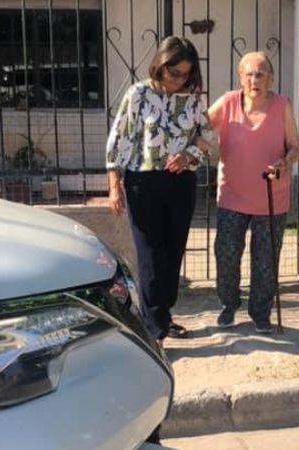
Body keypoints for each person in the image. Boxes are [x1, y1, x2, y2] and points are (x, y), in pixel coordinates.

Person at [105, 36, 212, 344]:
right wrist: (115, 185)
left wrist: (189, 154)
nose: (179, 80)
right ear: (160, 65)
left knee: (173, 252)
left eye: (185, 74)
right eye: (173, 72)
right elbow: (119, 139)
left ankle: (161, 317)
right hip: (144, 183)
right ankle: (155, 330)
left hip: (181, 184)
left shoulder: (193, 98)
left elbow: (207, 134)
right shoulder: (138, 94)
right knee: (150, 254)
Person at [202, 51, 299, 334]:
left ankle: (260, 312)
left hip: (272, 197)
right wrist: (203, 146)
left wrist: (285, 161)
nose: (254, 79)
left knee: (266, 260)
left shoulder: (282, 105)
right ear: (240, 77)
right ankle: (229, 304)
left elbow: (296, 146)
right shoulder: (228, 102)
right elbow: (199, 126)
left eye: (260, 74)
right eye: (249, 74)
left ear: (270, 78)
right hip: (232, 194)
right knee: (226, 253)